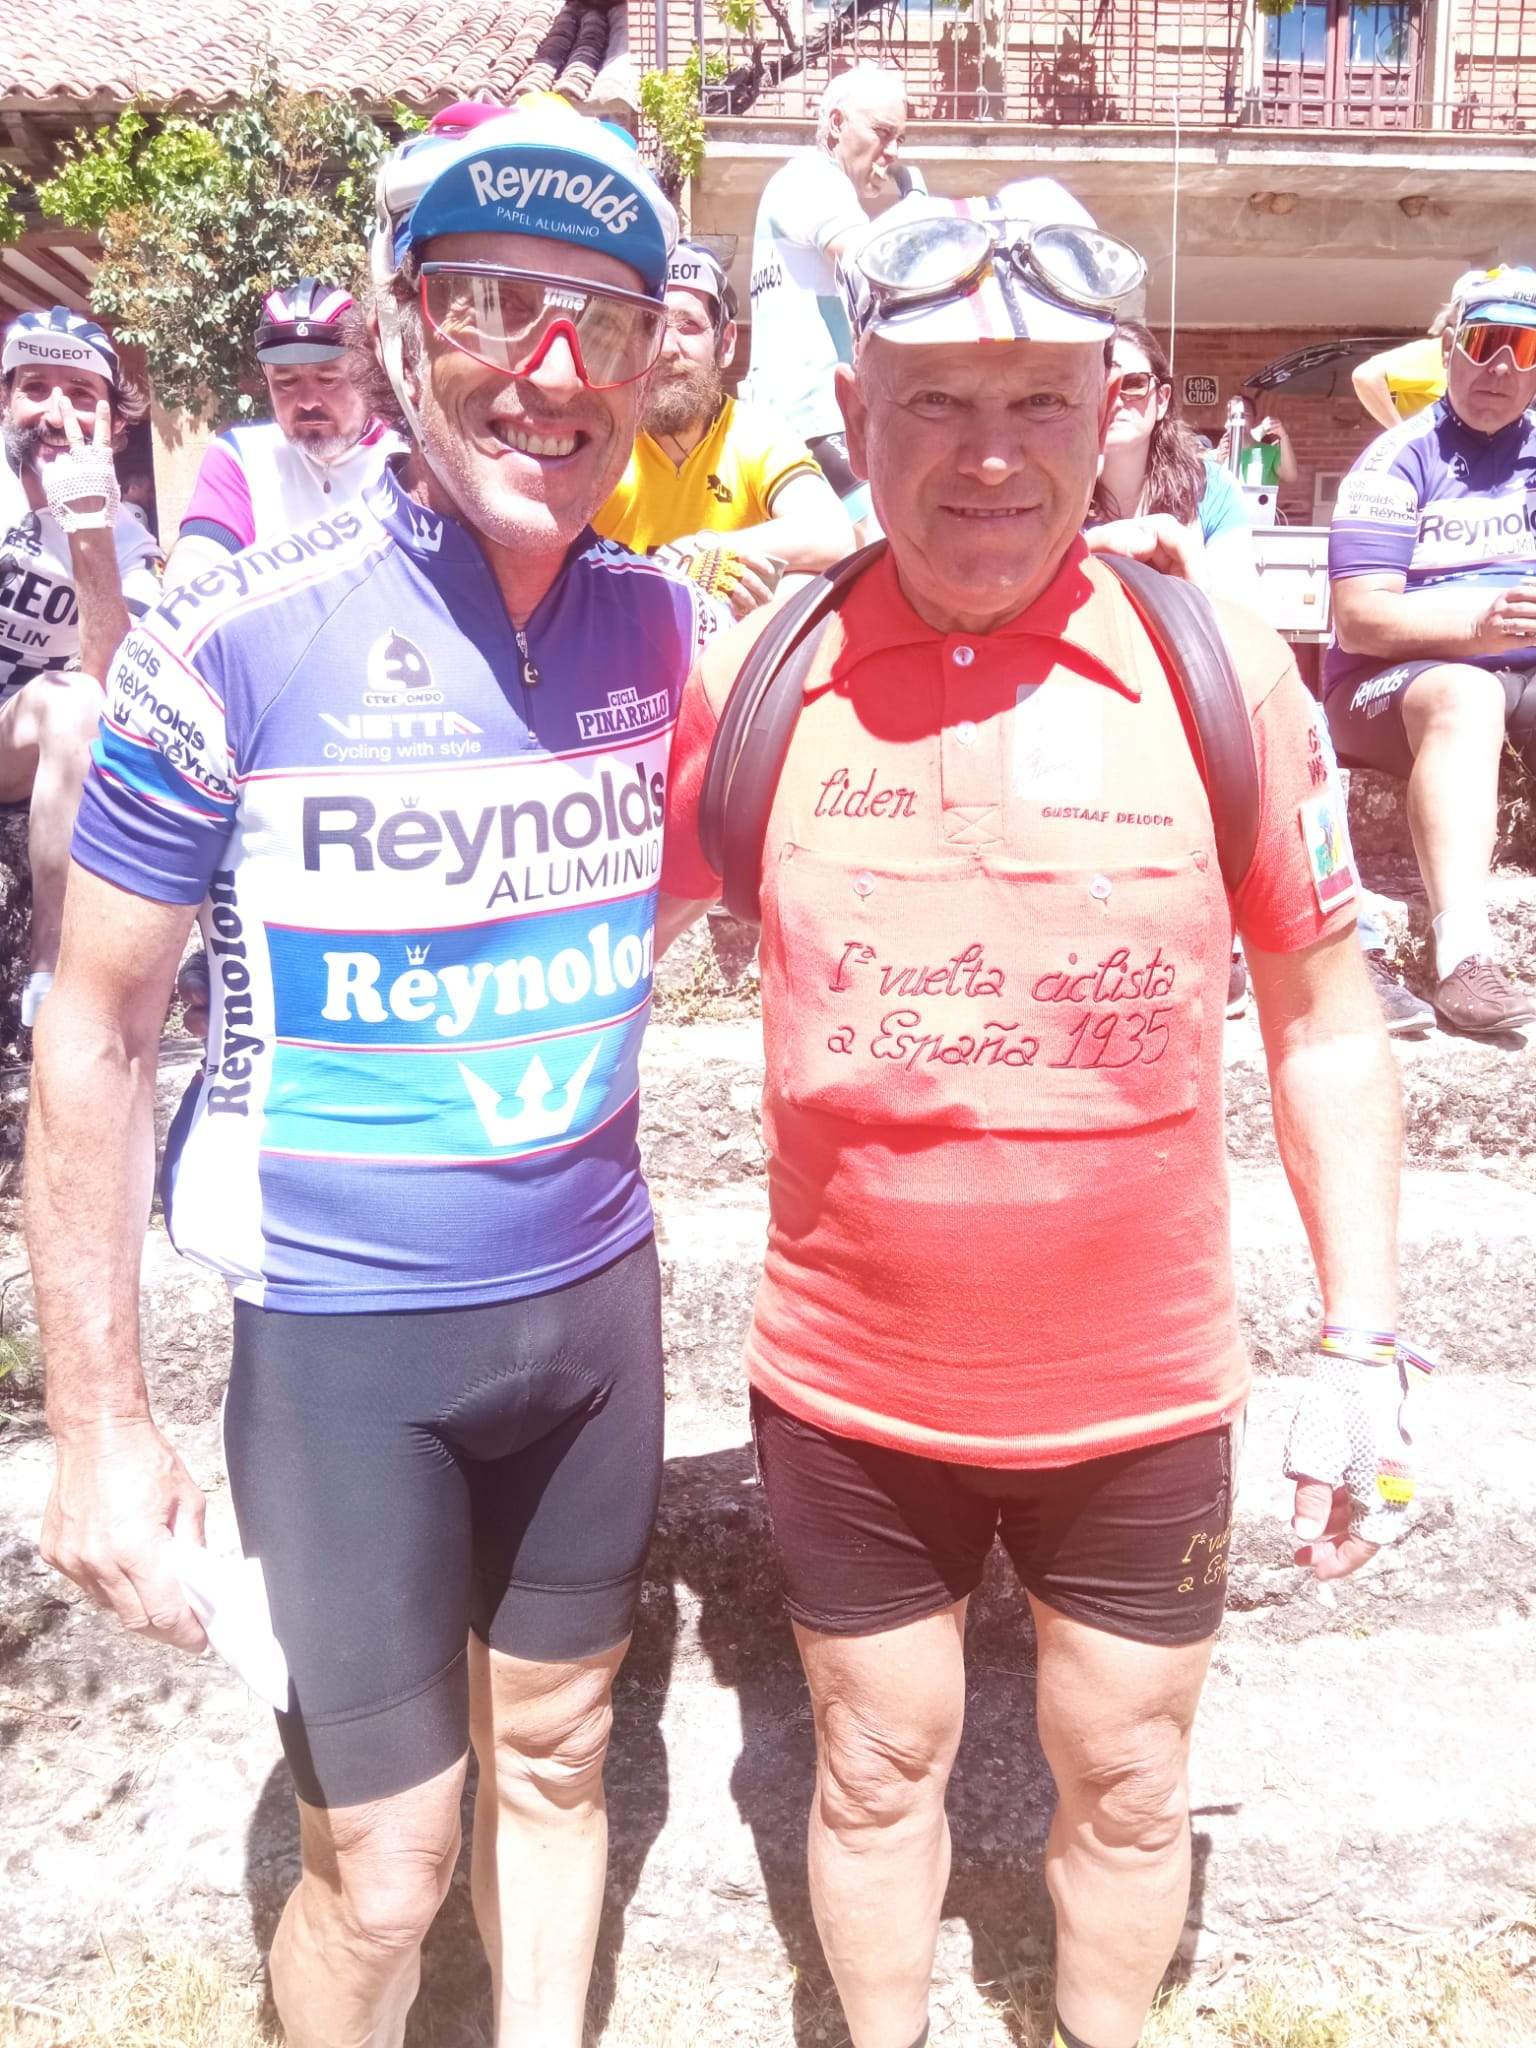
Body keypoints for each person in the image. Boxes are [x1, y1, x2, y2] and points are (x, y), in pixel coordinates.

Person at [657, 181, 1416, 2048]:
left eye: (1038, 403)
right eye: (934, 402)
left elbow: (1323, 1019)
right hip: (847, 1381)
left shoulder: (1216, 668)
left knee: (1136, 1777)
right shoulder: (761, 668)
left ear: (1117, 410)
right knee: (868, 1767)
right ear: (851, 411)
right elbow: (576, 938)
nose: (989, 458)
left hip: (1141, 1387)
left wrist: (1368, 1344)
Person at [30, 101, 714, 2048]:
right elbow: (92, 1023)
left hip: (595, 1304)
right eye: (497, 304)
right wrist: (96, 1418)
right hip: (344, 1344)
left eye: (604, 317)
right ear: (405, 327)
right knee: (391, 1868)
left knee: (567, 1762)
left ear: (659, 360)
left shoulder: (666, 628)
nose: (550, 370)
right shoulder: (237, 634)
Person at [1325, 263, 1536, 1035]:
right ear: (1448, 348)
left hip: (1522, 669)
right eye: (1483, 343)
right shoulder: (1397, 460)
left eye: (1524, 346)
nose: (1500, 368)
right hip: (1389, 687)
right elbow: (1359, 620)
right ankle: (1463, 957)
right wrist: (1478, 628)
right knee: (1465, 692)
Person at [0, 307, 160, 1026]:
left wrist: (86, 523)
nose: (56, 412)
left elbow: (117, 683)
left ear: (115, 425)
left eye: (81, 394)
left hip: (25, 737)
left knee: (73, 702)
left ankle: (51, 980)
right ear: (6, 403)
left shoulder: (126, 535)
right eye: (35, 387)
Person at [595, 240, 853, 616]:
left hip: (720, 651)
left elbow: (832, 532)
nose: (668, 347)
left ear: (726, 342)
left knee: (801, 584)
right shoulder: (605, 436)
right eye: (651, 326)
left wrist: (704, 551)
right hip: (613, 647)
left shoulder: (752, 434)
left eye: (689, 325)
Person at [743, 63, 907, 535]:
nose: (892, 152)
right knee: (885, 541)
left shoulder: (792, 185)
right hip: (815, 419)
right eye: (881, 132)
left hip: (787, 421)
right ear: (837, 124)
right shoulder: (815, 180)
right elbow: (870, 261)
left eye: (900, 138)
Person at [164, 276, 402, 583]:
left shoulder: (406, 455)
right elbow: (197, 559)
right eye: (286, 382)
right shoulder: (241, 457)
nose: (306, 402)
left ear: (368, 371)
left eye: (328, 379)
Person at [1092, 320, 1257, 597]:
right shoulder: (1054, 490)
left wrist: (1195, 581)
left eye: (1133, 384)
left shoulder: (1210, 489)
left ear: (1162, 400)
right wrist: (1088, 549)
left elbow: (1239, 611)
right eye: (1100, 384)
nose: (1116, 400)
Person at [1217, 391, 1298, 492]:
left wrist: (1282, 435)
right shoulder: (1216, 455)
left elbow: (1291, 477)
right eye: (1232, 415)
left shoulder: (1271, 452)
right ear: (1226, 421)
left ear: (1255, 420)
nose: (1238, 419)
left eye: (1244, 414)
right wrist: (1218, 463)